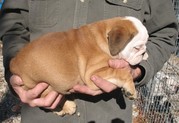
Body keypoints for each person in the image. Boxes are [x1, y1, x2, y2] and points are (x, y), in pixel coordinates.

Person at [0, 0, 178, 123]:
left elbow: (165, 33)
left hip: (108, 114)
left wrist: (137, 70)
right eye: (138, 49)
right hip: (42, 113)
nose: (142, 53)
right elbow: (12, 24)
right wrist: (16, 74)